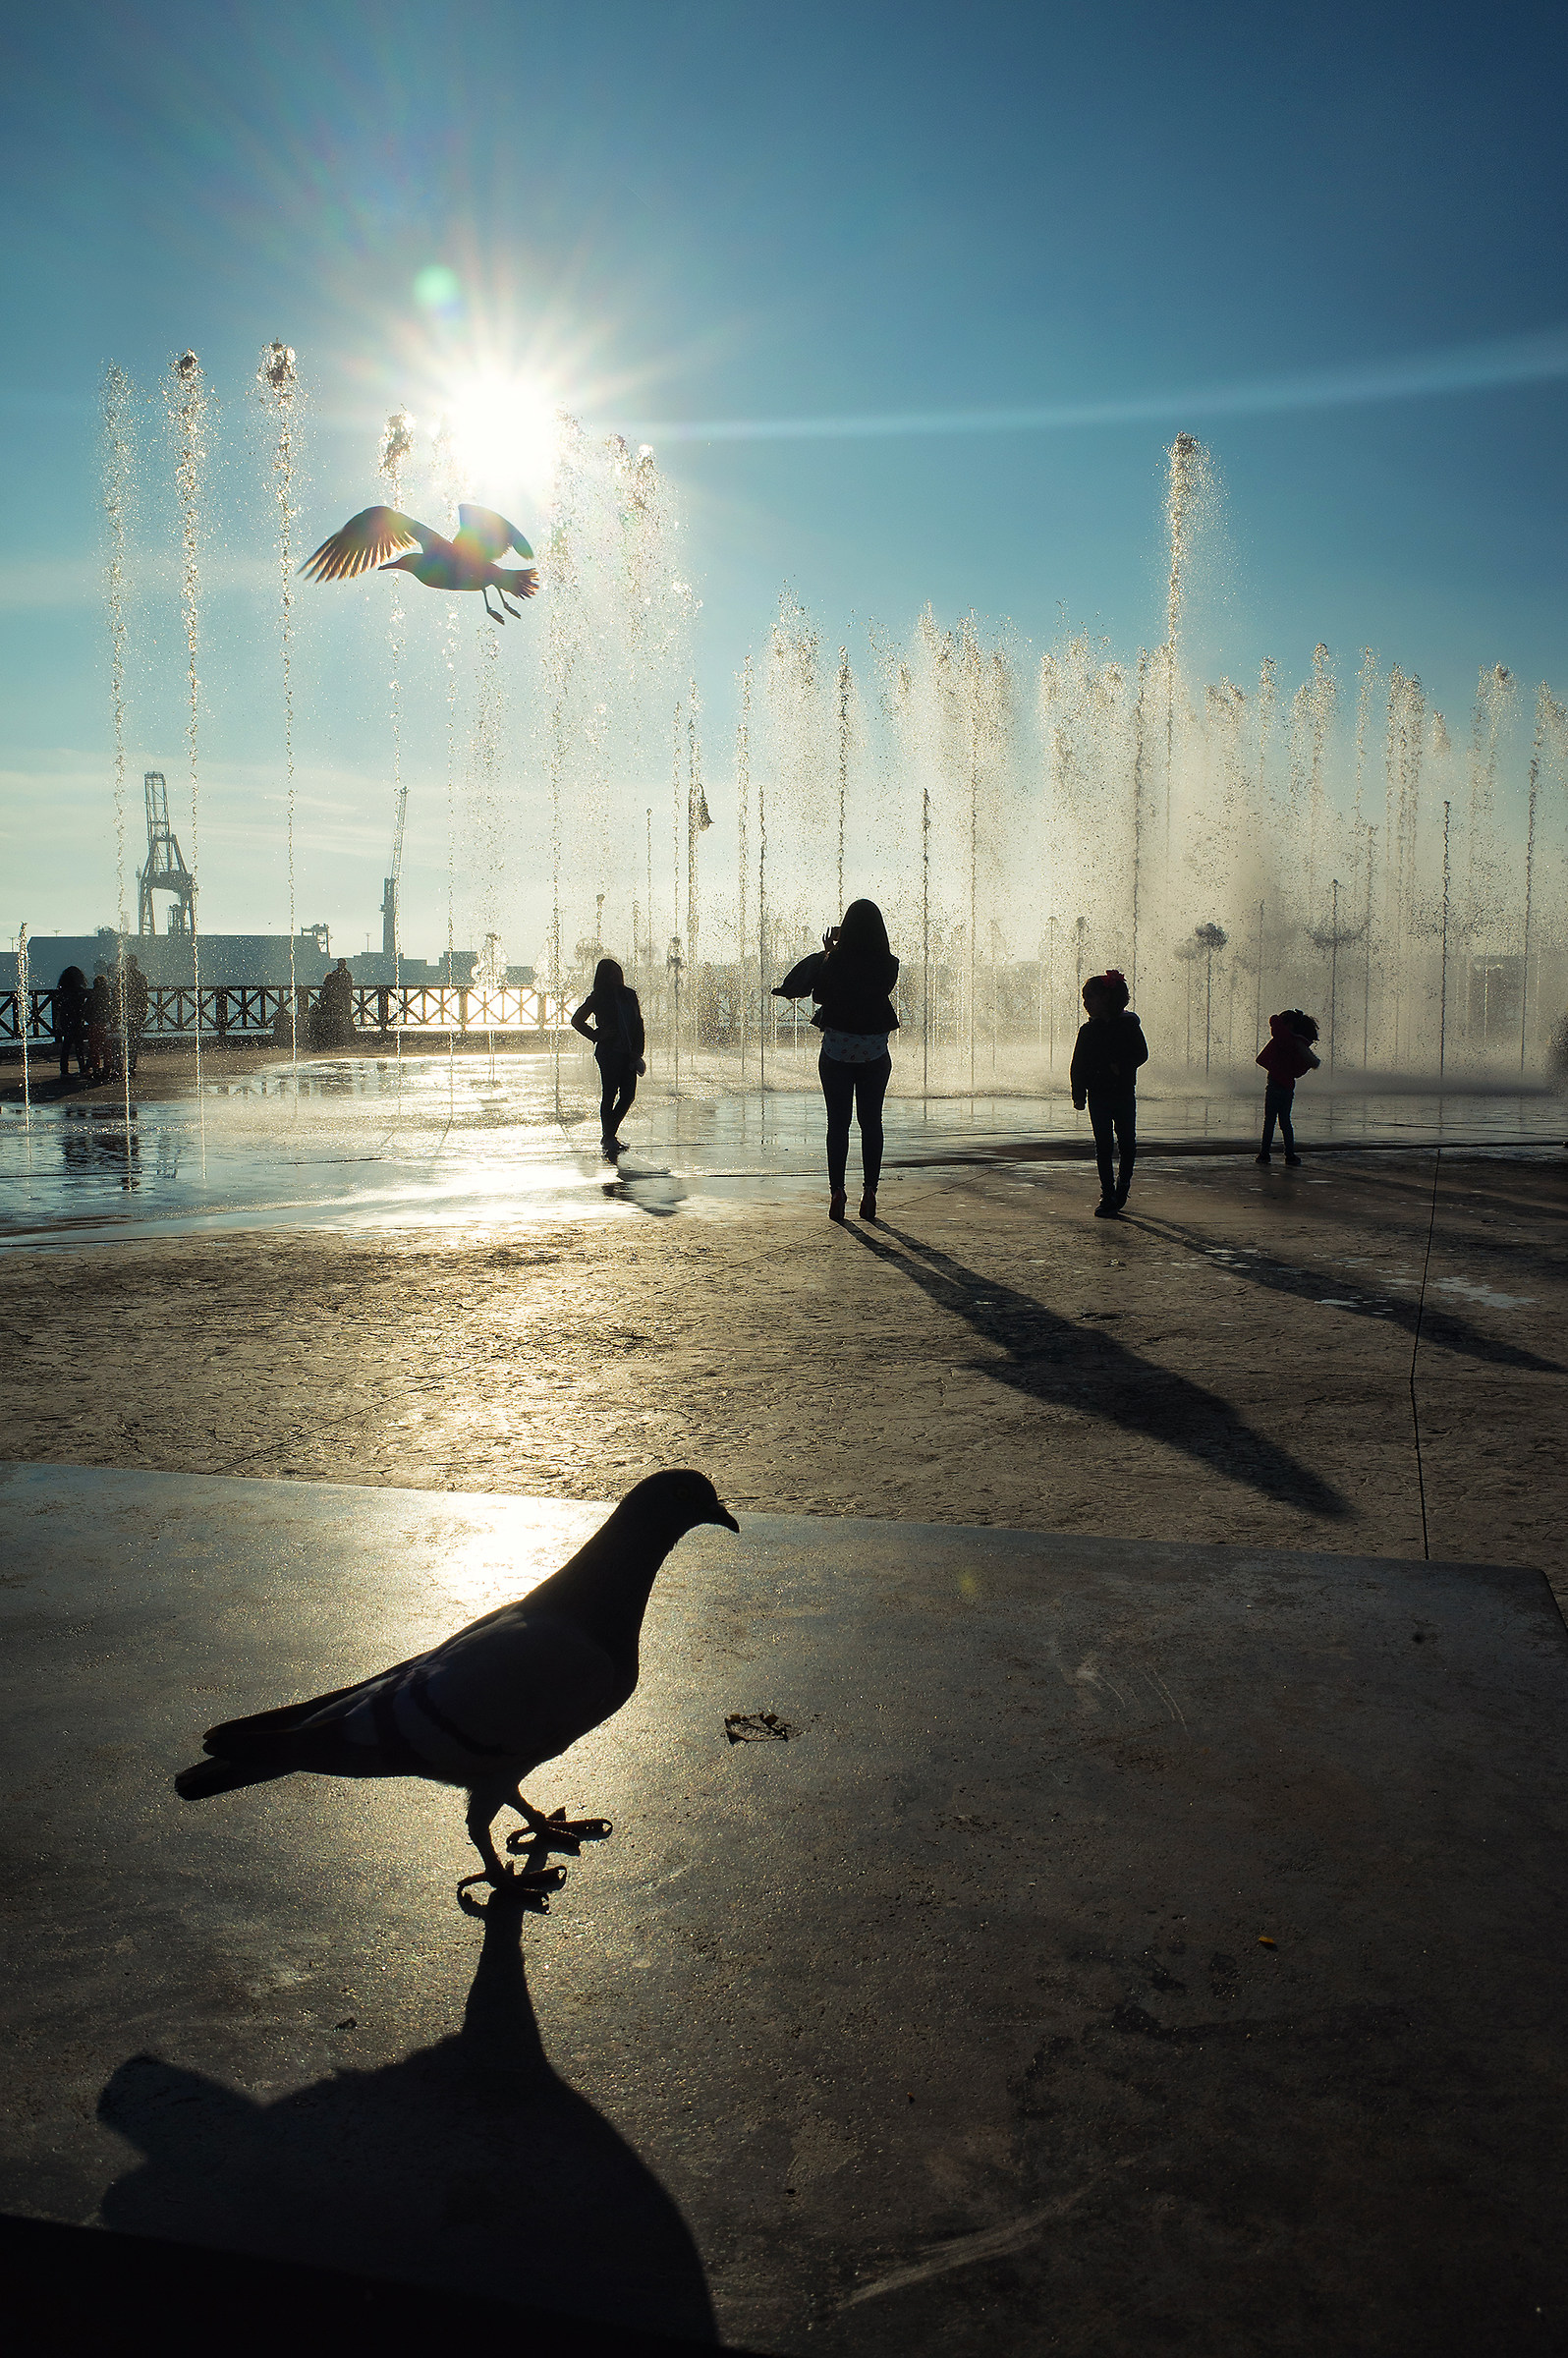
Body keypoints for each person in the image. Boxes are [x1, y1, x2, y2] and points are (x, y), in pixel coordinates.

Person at [772, 897, 900, 1221]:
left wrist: (830, 953)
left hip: (836, 1052)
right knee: (872, 1123)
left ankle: (837, 1193)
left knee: (838, 1124)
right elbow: (877, 989)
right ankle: (870, 1193)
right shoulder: (888, 964)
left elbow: (819, 994)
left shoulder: (832, 961)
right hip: (874, 1053)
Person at [1070, 968, 1148, 1217]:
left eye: (1090, 998)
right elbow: (1077, 1064)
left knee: (1127, 1143)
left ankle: (1122, 1186)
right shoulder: (1088, 1030)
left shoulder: (1127, 1025)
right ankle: (1107, 1193)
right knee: (1103, 1145)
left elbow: (1141, 1054)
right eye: (1085, 999)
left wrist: (1121, 1065)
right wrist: (1078, 1094)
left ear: (1106, 999)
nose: (1086, 1004)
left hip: (1123, 1092)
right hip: (1098, 1095)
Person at [572, 957, 645, 1154]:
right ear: (604, 977)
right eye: (612, 974)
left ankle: (609, 1135)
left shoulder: (630, 995)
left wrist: (638, 1051)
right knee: (610, 1093)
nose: (617, 977)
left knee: (628, 1095)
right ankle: (609, 1136)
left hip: (628, 1053)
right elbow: (577, 1020)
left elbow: (639, 1023)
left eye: (618, 973)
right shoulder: (598, 997)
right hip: (609, 1052)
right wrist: (596, 1035)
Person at [1256, 1010, 1319, 1165]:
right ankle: (1290, 1155)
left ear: (1290, 1025)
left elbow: (1274, 1021)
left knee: (1269, 1121)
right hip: (1288, 1088)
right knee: (1285, 1122)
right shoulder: (1300, 1046)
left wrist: (1283, 1017)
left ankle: (1264, 1155)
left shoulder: (1284, 1038)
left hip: (1274, 1085)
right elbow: (1298, 1072)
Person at [54, 966, 89, 1084]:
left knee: (66, 1046)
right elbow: (84, 1002)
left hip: (66, 1019)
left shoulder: (63, 990)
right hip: (77, 1019)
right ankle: (83, 1068)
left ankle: (64, 1071)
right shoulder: (79, 990)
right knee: (79, 1045)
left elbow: (58, 1004)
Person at [86, 971, 114, 1084]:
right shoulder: (108, 996)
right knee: (107, 1048)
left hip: (94, 1024)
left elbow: (86, 1010)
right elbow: (113, 1010)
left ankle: (96, 1069)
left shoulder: (92, 996)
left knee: (95, 1048)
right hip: (106, 1024)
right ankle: (107, 1068)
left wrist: (90, 1021)